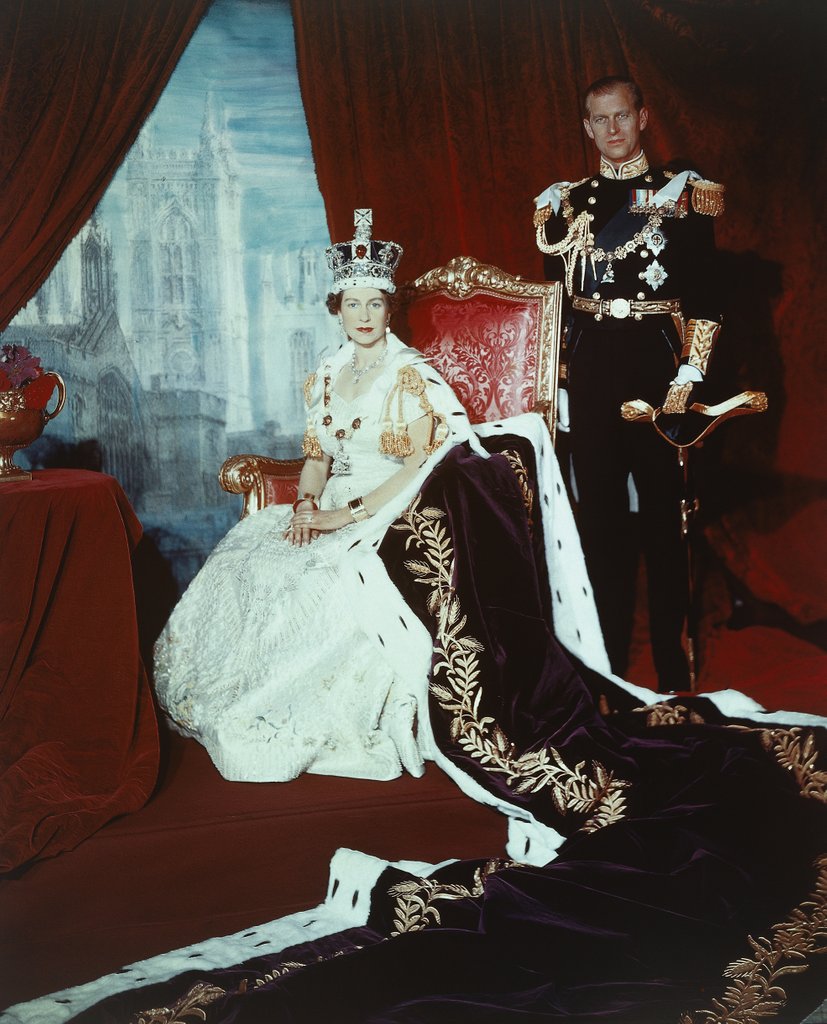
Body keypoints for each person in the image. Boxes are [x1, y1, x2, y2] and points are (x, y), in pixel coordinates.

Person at [153, 209, 483, 783]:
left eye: (374, 303)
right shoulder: (328, 372)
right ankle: (236, 692)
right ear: (336, 309)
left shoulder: (410, 375)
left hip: (388, 508)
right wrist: (306, 507)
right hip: (327, 504)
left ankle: (298, 711)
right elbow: (316, 458)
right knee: (249, 557)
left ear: (388, 307)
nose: (363, 315)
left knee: (318, 584)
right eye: (352, 304)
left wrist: (341, 516)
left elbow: (419, 466)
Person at [534, 75, 725, 692]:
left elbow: (708, 298)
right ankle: (607, 657)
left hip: (658, 362)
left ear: (642, 118)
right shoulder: (565, 204)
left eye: (623, 116)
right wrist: (557, 382)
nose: (613, 129)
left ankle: (671, 661)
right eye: (600, 119)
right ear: (587, 127)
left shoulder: (684, 195)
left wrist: (692, 371)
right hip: (591, 367)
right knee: (603, 521)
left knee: (665, 520)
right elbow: (555, 302)